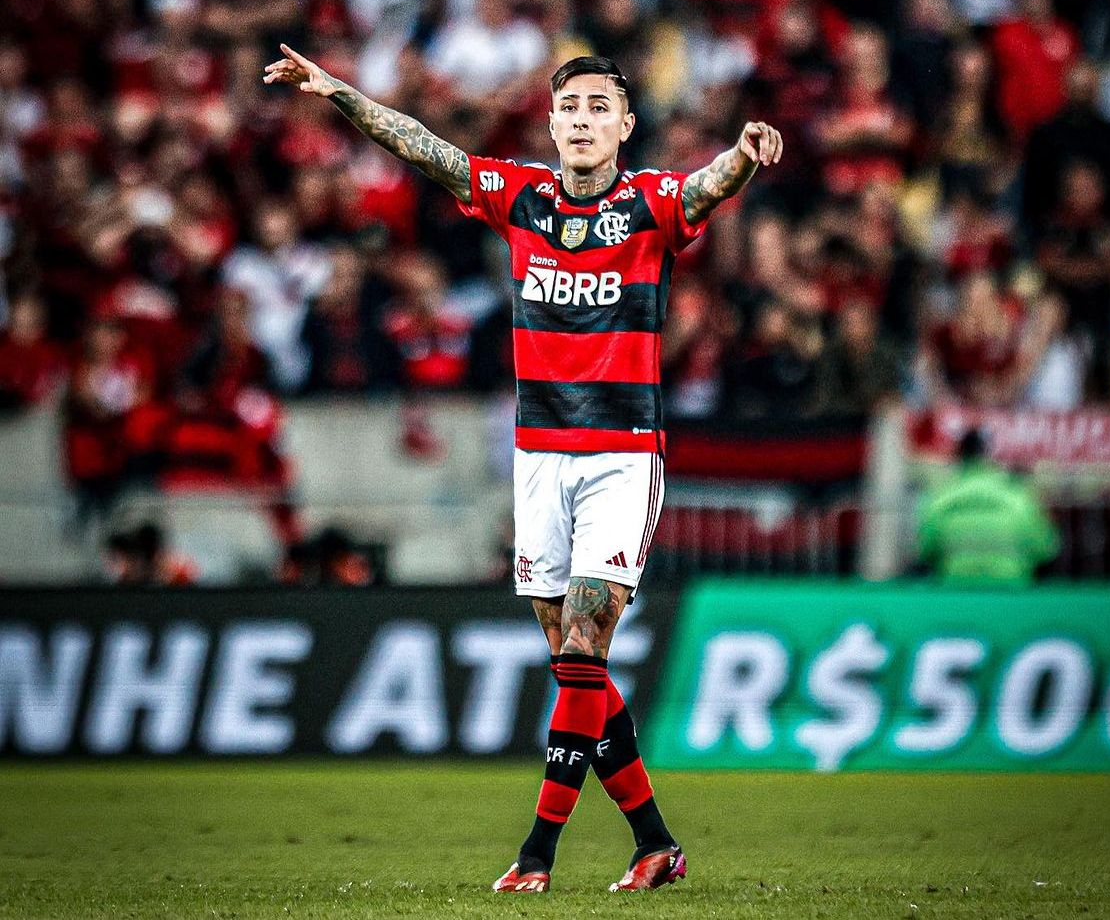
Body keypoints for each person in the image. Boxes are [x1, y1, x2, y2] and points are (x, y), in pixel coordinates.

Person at [263, 43, 782, 892]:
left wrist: (743, 155)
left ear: (625, 124)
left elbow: (706, 187)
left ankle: (534, 855)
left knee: (582, 647)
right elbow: (424, 148)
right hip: (539, 457)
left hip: (621, 455)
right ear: (551, 123)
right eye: (568, 108)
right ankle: (655, 844)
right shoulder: (521, 196)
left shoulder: (649, 203)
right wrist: (338, 93)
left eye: (596, 108)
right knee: (575, 665)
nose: (581, 120)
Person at [917, 429, 1059, 587]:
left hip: (955, 592)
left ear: (959, 455)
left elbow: (925, 550)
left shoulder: (940, 498)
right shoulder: (1019, 497)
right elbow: (1045, 549)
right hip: (1013, 592)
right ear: (991, 455)